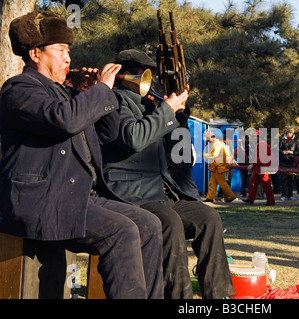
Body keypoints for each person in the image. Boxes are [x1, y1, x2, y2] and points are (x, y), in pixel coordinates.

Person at [0, 10, 163, 299]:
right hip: (41, 201)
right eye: (61, 49)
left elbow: (106, 135)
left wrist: (96, 93)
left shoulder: (68, 94)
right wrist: (98, 90)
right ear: (36, 53)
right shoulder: (19, 89)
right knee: (121, 231)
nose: (68, 58)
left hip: (76, 198)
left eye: (69, 51)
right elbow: (64, 120)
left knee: (149, 224)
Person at [101, 49, 235, 299]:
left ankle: (219, 296)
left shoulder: (148, 104)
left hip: (156, 191)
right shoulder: (112, 99)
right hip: (129, 192)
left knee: (208, 217)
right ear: (124, 74)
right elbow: (133, 138)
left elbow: (176, 147)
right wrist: (165, 110)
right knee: (169, 222)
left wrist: (179, 112)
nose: (149, 80)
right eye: (143, 74)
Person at [242, 130, 276, 205]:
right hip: (260, 168)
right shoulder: (261, 144)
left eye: (255, 136)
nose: (254, 138)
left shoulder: (261, 144)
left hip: (263, 168)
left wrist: (252, 165)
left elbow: (261, 158)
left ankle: (271, 201)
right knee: (253, 183)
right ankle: (250, 199)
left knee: (266, 185)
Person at [203, 130, 236, 203]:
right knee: (212, 183)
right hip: (216, 167)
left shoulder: (216, 143)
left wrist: (204, 155)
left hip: (218, 167)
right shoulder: (218, 142)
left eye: (206, 138)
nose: (205, 140)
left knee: (222, 183)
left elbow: (215, 155)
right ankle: (210, 198)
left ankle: (231, 196)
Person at [279, 126, 298, 200]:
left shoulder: (295, 142)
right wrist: (282, 152)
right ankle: (283, 195)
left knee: (291, 179)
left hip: (291, 162)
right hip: (283, 162)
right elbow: (277, 150)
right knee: (284, 179)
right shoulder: (282, 141)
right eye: (287, 133)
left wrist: (292, 152)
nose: (289, 134)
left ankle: (290, 195)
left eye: (290, 133)